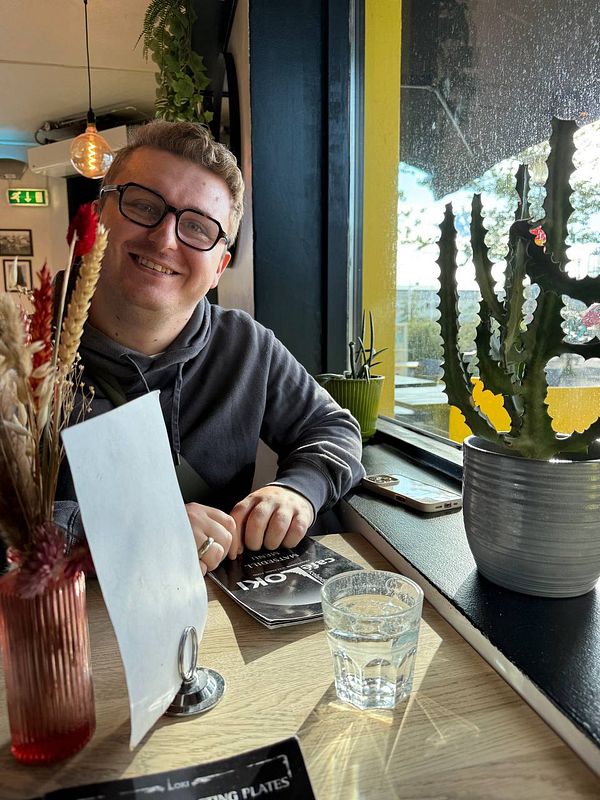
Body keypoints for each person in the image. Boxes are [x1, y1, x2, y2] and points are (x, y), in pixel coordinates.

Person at [55, 120, 365, 575]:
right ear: (100, 214)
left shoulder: (246, 346)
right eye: (143, 205)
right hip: (53, 629)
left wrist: (297, 490)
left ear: (219, 266)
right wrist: (124, 533)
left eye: (198, 228)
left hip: (207, 623)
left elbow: (332, 427)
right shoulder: (19, 349)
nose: (164, 240)